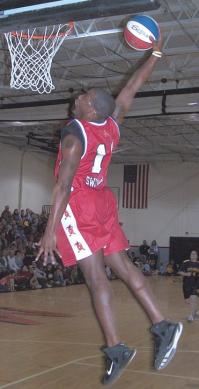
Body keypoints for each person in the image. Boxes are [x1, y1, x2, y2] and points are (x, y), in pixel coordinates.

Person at [36, 36, 183, 386]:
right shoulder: (112, 122)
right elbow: (133, 86)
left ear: (90, 110)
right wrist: (155, 55)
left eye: (83, 98)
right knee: (123, 266)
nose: (77, 97)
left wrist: (49, 230)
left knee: (96, 278)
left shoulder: (74, 137)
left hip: (81, 207)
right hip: (103, 200)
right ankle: (163, 325)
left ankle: (117, 348)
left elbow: (63, 186)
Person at [178, 250, 199, 322]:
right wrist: (187, 274)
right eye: (192, 254)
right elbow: (180, 272)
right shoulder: (186, 263)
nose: (193, 255)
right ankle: (195, 312)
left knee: (193, 298)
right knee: (188, 301)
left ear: (197, 256)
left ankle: (191, 315)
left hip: (196, 285)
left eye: (194, 254)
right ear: (190, 256)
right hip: (187, 284)